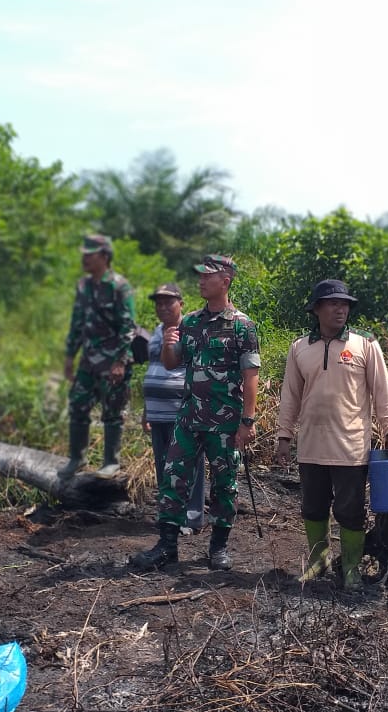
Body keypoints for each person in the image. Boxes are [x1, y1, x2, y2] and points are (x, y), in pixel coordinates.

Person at [274, 279, 388, 589]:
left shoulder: (365, 345)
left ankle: (351, 569)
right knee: (313, 507)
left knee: (350, 510)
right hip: (310, 445)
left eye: (345, 304)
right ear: (317, 309)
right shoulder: (299, 348)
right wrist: (284, 437)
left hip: (350, 446)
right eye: (333, 303)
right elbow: (290, 395)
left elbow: (383, 392)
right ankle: (318, 564)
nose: (340, 309)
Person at [131, 255, 260, 571]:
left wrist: (247, 422)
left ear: (225, 281)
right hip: (189, 419)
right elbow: (174, 363)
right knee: (173, 479)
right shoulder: (189, 322)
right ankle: (167, 546)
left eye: (207, 276)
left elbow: (250, 375)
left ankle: (218, 548)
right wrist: (168, 345)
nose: (201, 280)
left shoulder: (242, 326)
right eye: (199, 276)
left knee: (224, 485)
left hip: (225, 423)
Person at [59, 233, 136, 481]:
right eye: (84, 254)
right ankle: (76, 458)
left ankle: (111, 462)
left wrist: (120, 362)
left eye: (89, 254)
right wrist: (70, 356)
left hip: (113, 361)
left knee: (112, 411)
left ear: (104, 256)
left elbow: (128, 327)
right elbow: (77, 323)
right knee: (77, 405)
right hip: (88, 361)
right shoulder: (84, 286)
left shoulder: (119, 286)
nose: (85, 259)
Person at [141, 283, 207, 533]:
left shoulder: (190, 329)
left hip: (183, 410)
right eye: (159, 303)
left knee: (190, 464)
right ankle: (170, 514)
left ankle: (192, 517)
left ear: (181, 303)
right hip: (157, 412)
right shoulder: (157, 331)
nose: (163, 307)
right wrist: (146, 411)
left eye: (168, 302)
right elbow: (152, 369)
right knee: (163, 464)